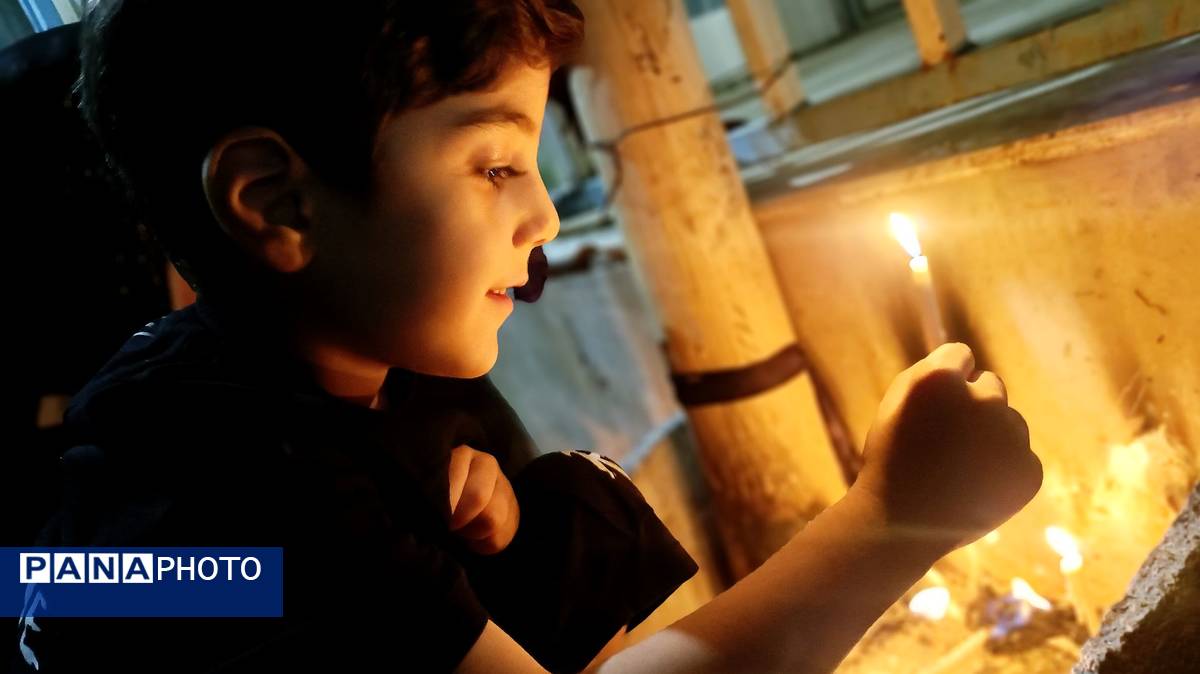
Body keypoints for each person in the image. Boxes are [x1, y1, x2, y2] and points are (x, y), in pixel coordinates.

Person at [15, 1, 1043, 672]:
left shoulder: (375, 384)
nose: (546, 215)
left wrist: (466, 544)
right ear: (279, 202)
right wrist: (893, 519)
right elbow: (96, 580)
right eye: (498, 166)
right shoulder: (220, 488)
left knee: (557, 521)